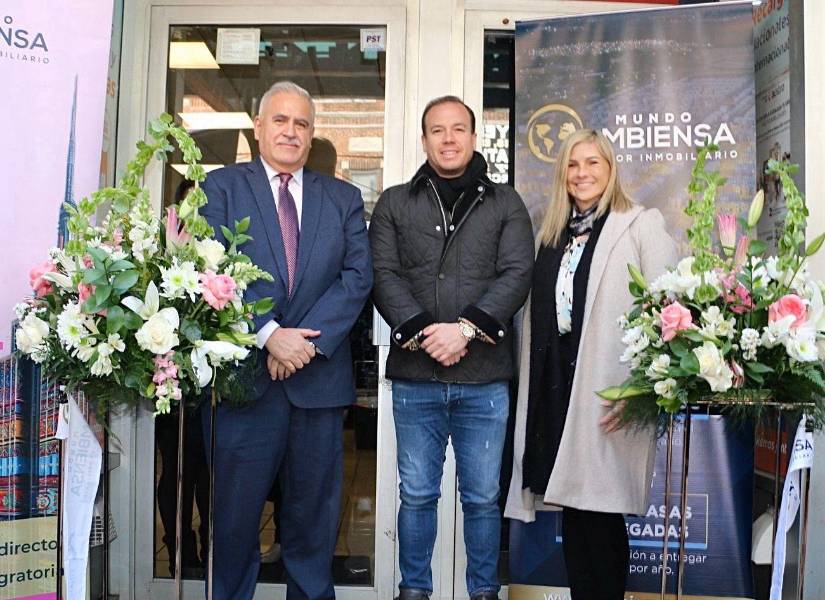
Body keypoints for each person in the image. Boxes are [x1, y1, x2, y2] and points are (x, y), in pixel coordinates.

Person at [200, 81, 373, 600]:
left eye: (301, 123)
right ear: (258, 127)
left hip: (317, 386)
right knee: (234, 524)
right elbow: (210, 266)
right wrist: (270, 334)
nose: (290, 132)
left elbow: (357, 277)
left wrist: (304, 345)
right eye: (280, 120)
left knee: (313, 523)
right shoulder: (220, 189)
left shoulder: (343, 198)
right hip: (244, 388)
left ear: (312, 135)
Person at [369, 95, 534, 600]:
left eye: (458, 129)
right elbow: (384, 275)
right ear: (423, 140)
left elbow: (517, 273)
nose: (448, 139)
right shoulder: (394, 203)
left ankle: (483, 591)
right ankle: (414, 591)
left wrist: (464, 330)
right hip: (415, 379)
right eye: (437, 130)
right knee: (417, 496)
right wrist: (427, 332)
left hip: (484, 380)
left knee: (482, 498)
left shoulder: (506, 203)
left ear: (474, 136)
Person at [504, 129, 677, 599]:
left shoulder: (639, 224)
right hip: (557, 385)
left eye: (593, 163)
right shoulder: (550, 233)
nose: (582, 173)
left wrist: (641, 392)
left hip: (609, 391)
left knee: (599, 514)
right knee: (576, 515)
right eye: (573, 164)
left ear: (610, 168)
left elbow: (670, 314)